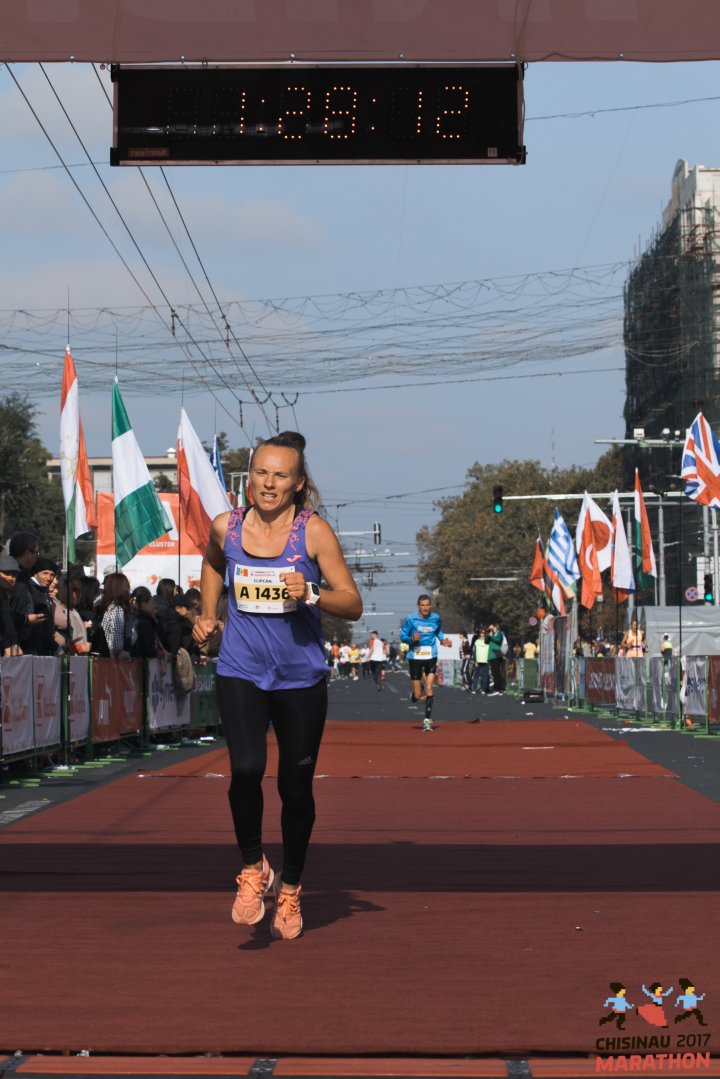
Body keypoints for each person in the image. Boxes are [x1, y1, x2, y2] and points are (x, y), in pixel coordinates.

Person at [192, 431, 362, 940]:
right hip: (241, 670)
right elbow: (212, 562)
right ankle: (252, 869)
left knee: (294, 788)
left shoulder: (313, 534)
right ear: (249, 480)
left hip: (299, 678)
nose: (268, 483)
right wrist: (207, 616)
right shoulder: (228, 526)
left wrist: (311, 591)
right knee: (245, 769)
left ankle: (289, 888)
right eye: (261, 473)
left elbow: (350, 601)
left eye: (280, 475)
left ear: (298, 484)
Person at [400, 593, 452, 730]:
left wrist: (443, 641)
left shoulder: (436, 618)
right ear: (418, 606)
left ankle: (427, 721)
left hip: (431, 655)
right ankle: (414, 694)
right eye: (422, 605)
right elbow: (403, 636)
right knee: (418, 695)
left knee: (429, 687)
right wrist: (412, 638)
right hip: (415, 657)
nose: (425, 608)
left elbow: (439, 632)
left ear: (431, 605)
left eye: (427, 605)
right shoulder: (411, 619)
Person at [0, 554, 22, 656]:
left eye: (14, 574)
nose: (10, 578)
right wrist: (9, 644)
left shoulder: (6, 594)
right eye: (6, 573)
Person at [486, 623, 507, 695]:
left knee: (496, 672)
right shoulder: (492, 635)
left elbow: (498, 641)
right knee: (494, 672)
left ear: (495, 628)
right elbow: (486, 641)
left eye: (492, 628)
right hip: (491, 656)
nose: (491, 630)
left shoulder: (499, 634)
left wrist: (491, 636)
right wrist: (488, 635)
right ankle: (499, 688)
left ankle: (497, 688)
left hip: (496, 654)